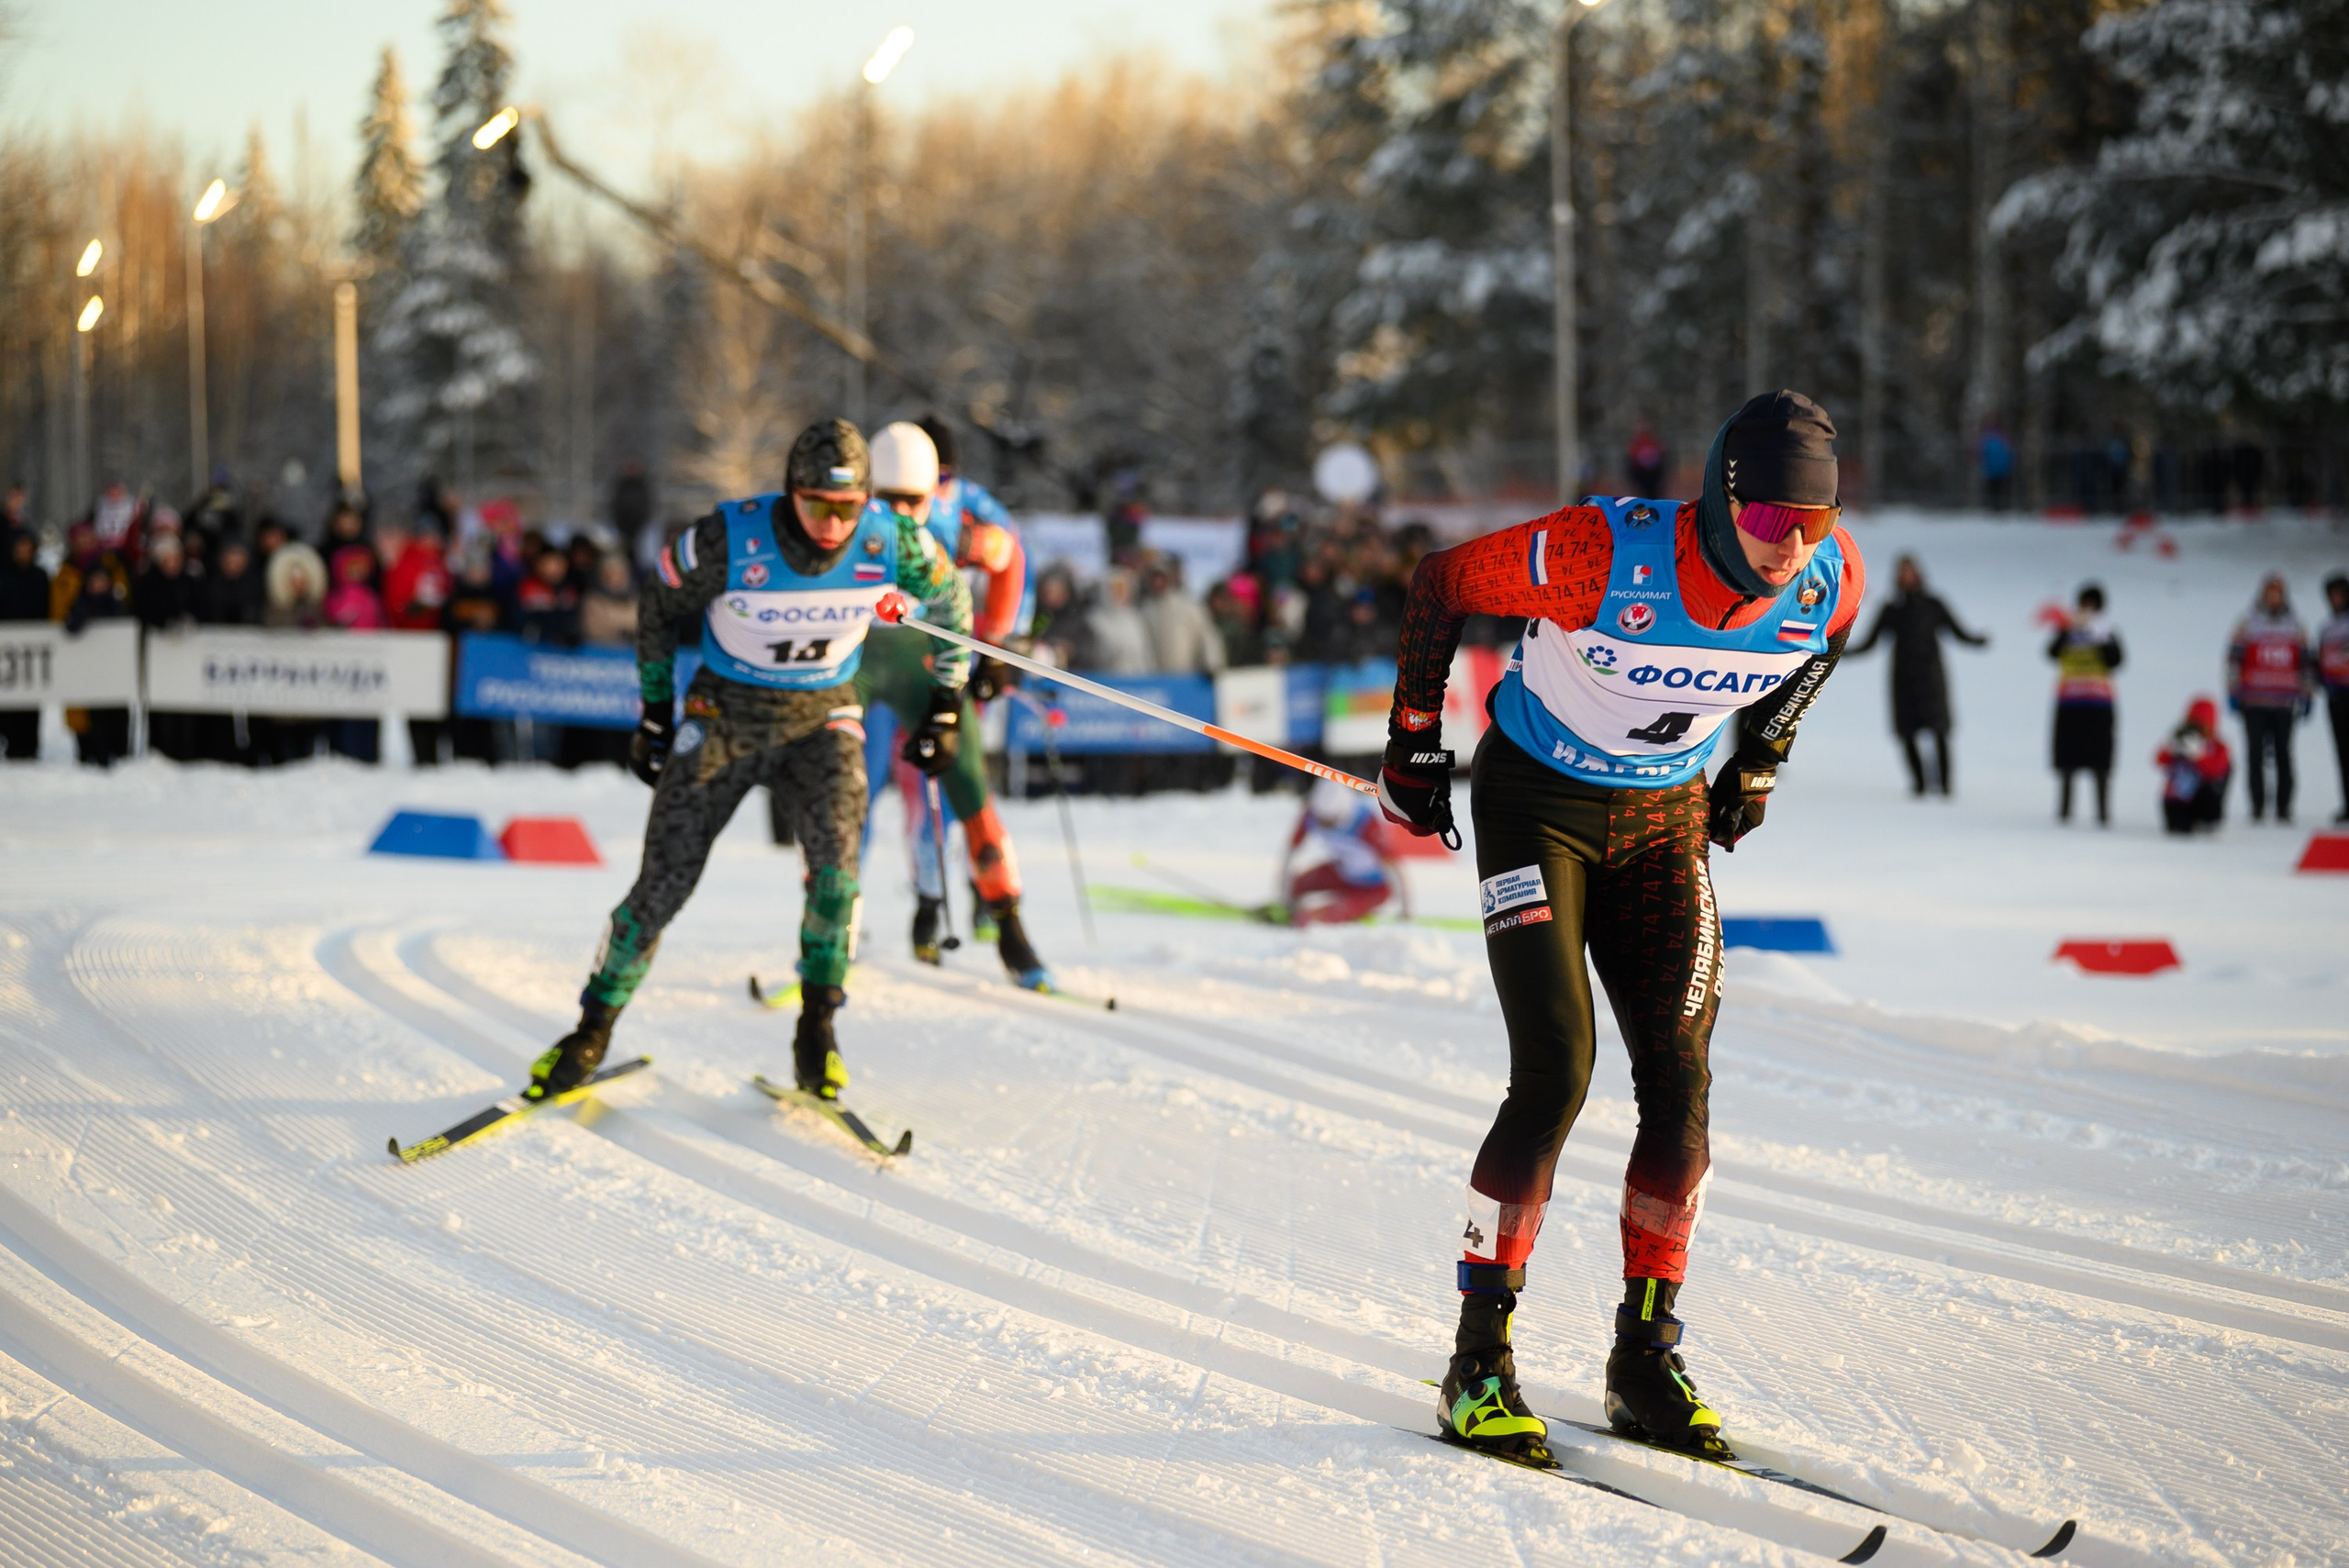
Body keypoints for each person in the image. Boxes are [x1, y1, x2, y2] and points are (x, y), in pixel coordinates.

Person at [1375, 390, 1865, 1464]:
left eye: (1813, 522)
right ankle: (1478, 1362)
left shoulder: (1830, 576)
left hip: (1663, 820)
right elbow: (1443, 582)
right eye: (1771, 519)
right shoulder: (1602, 553)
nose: (1791, 547)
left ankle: (1643, 1355)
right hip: (1536, 805)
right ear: (1719, 496)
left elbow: (1824, 646)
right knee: (1555, 1069)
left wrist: (1761, 758)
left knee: (1680, 1077)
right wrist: (1414, 741)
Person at [525, 419, 974, 1106]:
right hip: (725, 716)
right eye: (816, 504)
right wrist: (653, 711)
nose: (831, 525)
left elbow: (952, 601)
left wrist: (945, 703)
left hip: (822, 717)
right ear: (790, 491)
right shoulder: (729, 539)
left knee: (836, 872)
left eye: (847, 509)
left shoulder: (892, 540)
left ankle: (817, 1029)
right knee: (664, 883)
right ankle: (591, 1029)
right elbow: (657, 601)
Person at [853, 420, 1054, 987]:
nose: (898, 515)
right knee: (846, 793)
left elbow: (1009, 555)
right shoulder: (846, 522)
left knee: (966, 786)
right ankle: (835, 920)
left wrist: (997, 642)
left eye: (912, 501)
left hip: (927, 665)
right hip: (863, 663)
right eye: (884, 500)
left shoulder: (947, 522)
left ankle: (1010, 927)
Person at [1845, 554, 1987, 796]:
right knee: (1907, 732)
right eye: (1903, 573)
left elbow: (1958, 631)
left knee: (1940, 731)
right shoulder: (1891, 609)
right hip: (1902, 677)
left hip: (1932, 675)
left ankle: (1945, 787)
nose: (1908, 578)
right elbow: (1869, 643)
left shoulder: (1934, 604)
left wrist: (1976, 640)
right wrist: (1839, 651)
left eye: (1911, 573)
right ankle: (1919, 784)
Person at [2226, 574, 2312, 823]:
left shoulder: (2296, 625)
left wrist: (2306, 694)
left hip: (2284, 702)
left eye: (2278, 593)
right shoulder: (2248, 624)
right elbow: (2233, 659)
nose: (2273, 598)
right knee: (2255, 755)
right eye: (2269, 593)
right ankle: (2257, 805)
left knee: (2284, 754)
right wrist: (2234, 692)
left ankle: (2284, 806)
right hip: (2254, 701)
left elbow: (2306, 663)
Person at [2047, 584, 2124, 825]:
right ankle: (2064, 811)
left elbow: (2117, 660)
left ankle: (2102, 813)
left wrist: (2100, 637)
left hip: (2099, 704)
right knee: (2068, 759)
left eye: (2093, 605)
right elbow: (2051, 653)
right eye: (2084, 604)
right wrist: (2065, 629)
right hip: (2069, 703)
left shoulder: (2107, 630)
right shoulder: (2068, 629)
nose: (2088, 610)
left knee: (2100, 760)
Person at [1281, 777, 1396, 925]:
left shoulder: (1365, 821)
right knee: (1298, 883)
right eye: (1322, 820)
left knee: (1332, 913)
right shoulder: (1311, 815)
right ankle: (1293, 912)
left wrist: (1406, 910)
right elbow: (1290, 851)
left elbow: (1395, 864)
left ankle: (1316, 916)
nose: (1325, 826)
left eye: (1330, 821)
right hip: (1342, 872)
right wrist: (1283, 898)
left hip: (1373, 886)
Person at [0, 523, 50, 762]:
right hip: (7, 648)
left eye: (27, 547)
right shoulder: (3, 576)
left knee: (31, 701)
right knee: (8, 702)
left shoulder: (40, 576)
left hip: (34, 648)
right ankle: (11, 745)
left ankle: (30, 747)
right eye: (19, 547)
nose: (23, 552)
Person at [2156, 697, 2232, 834]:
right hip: (2179, 799)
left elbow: (2217, 770)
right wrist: (2172, 749)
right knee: (2178, 827)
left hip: (2204, 797)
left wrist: (2198, 756)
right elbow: (2159, 761)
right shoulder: (2180, 740)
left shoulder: (2218, 746)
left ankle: (2207, 821)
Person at [2318, 573, 2349, 823]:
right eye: (2331, 594)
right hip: (2336, 696)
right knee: (2343, 754)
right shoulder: (2328, 627)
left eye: (2340, 593)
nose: (2335, 599)